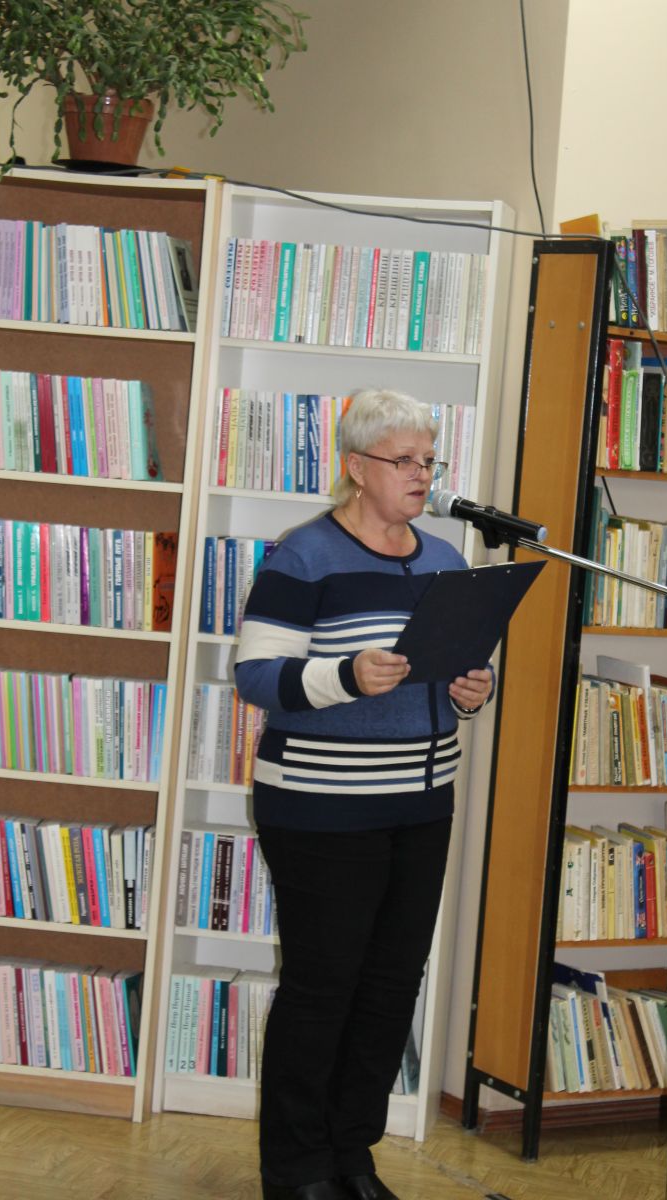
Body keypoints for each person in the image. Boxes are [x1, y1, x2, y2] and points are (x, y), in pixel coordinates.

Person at [235, 388, 493, 1200]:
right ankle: (297, 1171)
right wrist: (344, 676)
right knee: (322, 989)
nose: (422, 475)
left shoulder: (447, 561)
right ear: (355, 465)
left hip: (421, 804)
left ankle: (352, 1156)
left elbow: (456, 675)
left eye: (429, 461)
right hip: (320, 808)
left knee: (389, 989)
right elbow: (257, 676)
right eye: (404, 460)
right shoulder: (303, 556)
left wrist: (474, 690)